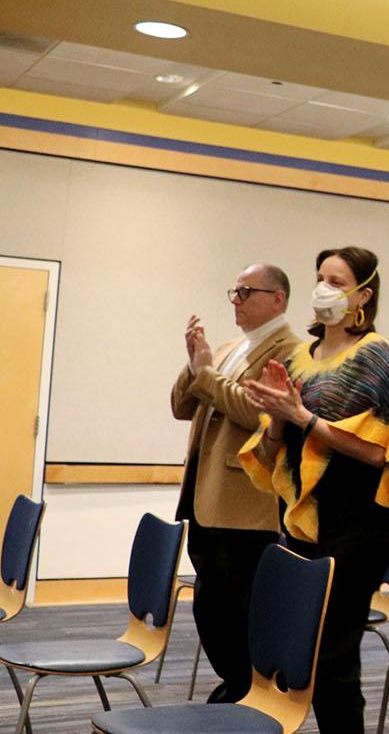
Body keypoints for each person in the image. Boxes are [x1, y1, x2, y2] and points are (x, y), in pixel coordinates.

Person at [239, 246, 389, 734]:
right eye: (321, 277)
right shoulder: (301, 356)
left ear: (364, 293)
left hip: (358, 523)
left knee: (334, 652)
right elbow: (278, 442)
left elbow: (377, 451)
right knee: (300, 645)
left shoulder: (374, 354)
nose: (324, 289)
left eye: (337, 281)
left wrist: (302, 415)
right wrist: (279, 417)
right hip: (303, 517)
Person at [169, 263, 300, 703]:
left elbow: (257, 413)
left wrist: (207, 375)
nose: (236, 300)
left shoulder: (291, 351)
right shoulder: (230, 347)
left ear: (277, 299)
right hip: (204, 494)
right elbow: (181, 407)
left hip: (246, 501)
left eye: (247, 292)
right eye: (235, 291)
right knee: (210, 604)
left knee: (239, 604)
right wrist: (195, 366)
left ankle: (252, 688)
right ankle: (236, 681)